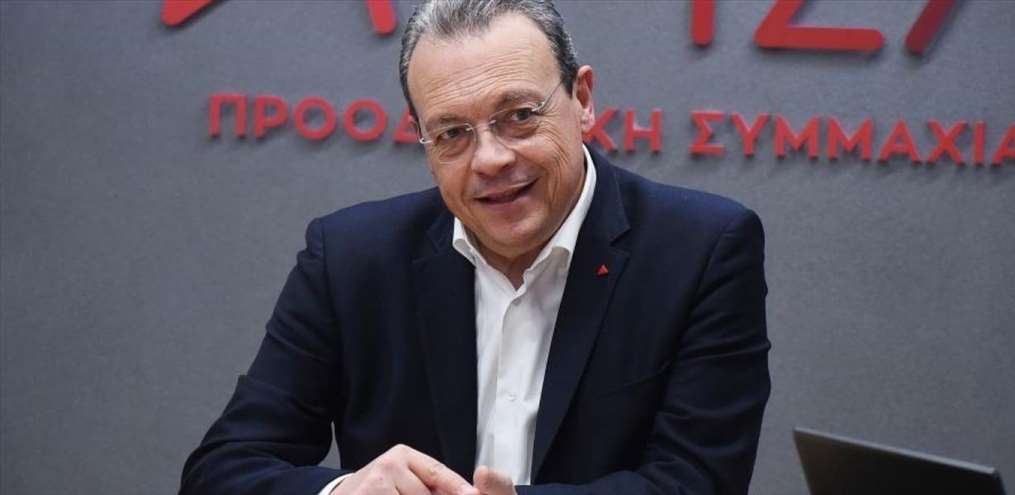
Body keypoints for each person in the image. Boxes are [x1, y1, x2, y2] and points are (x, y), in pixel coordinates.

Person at [179, 1, 770, 494]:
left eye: (519, 116)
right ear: (422, 138)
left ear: (583, 99)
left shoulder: (702, 249)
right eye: (452, 133)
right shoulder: (351, 258)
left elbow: (698, 481)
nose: (490, 158)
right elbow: (223, 470)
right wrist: (344, 492)